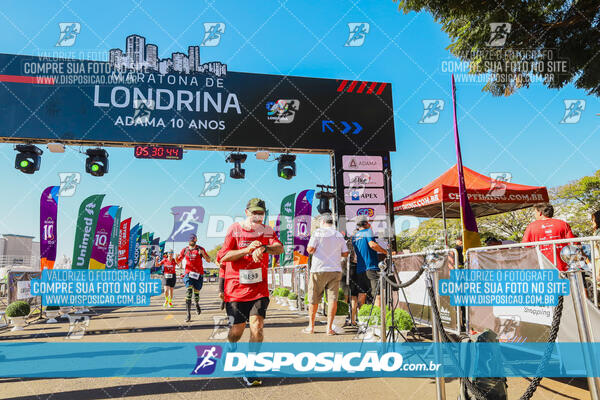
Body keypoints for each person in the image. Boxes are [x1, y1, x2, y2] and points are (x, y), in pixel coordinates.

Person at [219, 198, 283, 387]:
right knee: (237, 330)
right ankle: (231, 346)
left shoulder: (267, 231)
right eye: (254, 212)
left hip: (259, 288)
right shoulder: (234, 229)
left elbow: (279, 247)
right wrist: (247, 250)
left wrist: (264, 248)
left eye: (261, 213)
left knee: (257, 326)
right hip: (236, 289)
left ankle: (251, 368)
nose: (257, 216)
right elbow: (223, 256)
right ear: (246, 212)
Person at [303, 214, 349, 335]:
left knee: (314, 298)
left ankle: (311, 327)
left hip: (318, 269)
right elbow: (345, 253)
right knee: (332, 299)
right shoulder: (339, 235)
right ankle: (329, 328)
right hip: (335, 269)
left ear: (322, 222)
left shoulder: (317, 233)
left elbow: (310, 249)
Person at [522, 203, 576, 271]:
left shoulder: (531, 227)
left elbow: (525, 247)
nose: (535, 215)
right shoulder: (563, 224)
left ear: (540, 213)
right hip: (562, 267)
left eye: (535, 212)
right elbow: (573, 244)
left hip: (541, 268)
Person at [352, 216, 388, 308]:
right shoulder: (368, 231)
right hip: (371, 267)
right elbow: (372, 245)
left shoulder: (354, 236)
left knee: (362, 293)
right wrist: (387, 252)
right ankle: (377, 319)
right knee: (378, 294)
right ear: (366, 223)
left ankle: (361, 318)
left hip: (360, 269)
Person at [176, 234, 211, 322]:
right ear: (188, 241)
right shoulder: (185, 250)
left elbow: (209, 260)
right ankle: (188, 314)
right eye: (190, 240)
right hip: (188, 273)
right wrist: (177, 259)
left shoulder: (200, 249)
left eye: (193, 240)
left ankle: (197, 303)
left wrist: (203, 254)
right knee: (189, 291)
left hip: (198, 274)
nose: (192, 241)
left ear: (196, 240)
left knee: (196, 292)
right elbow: (179, 261)